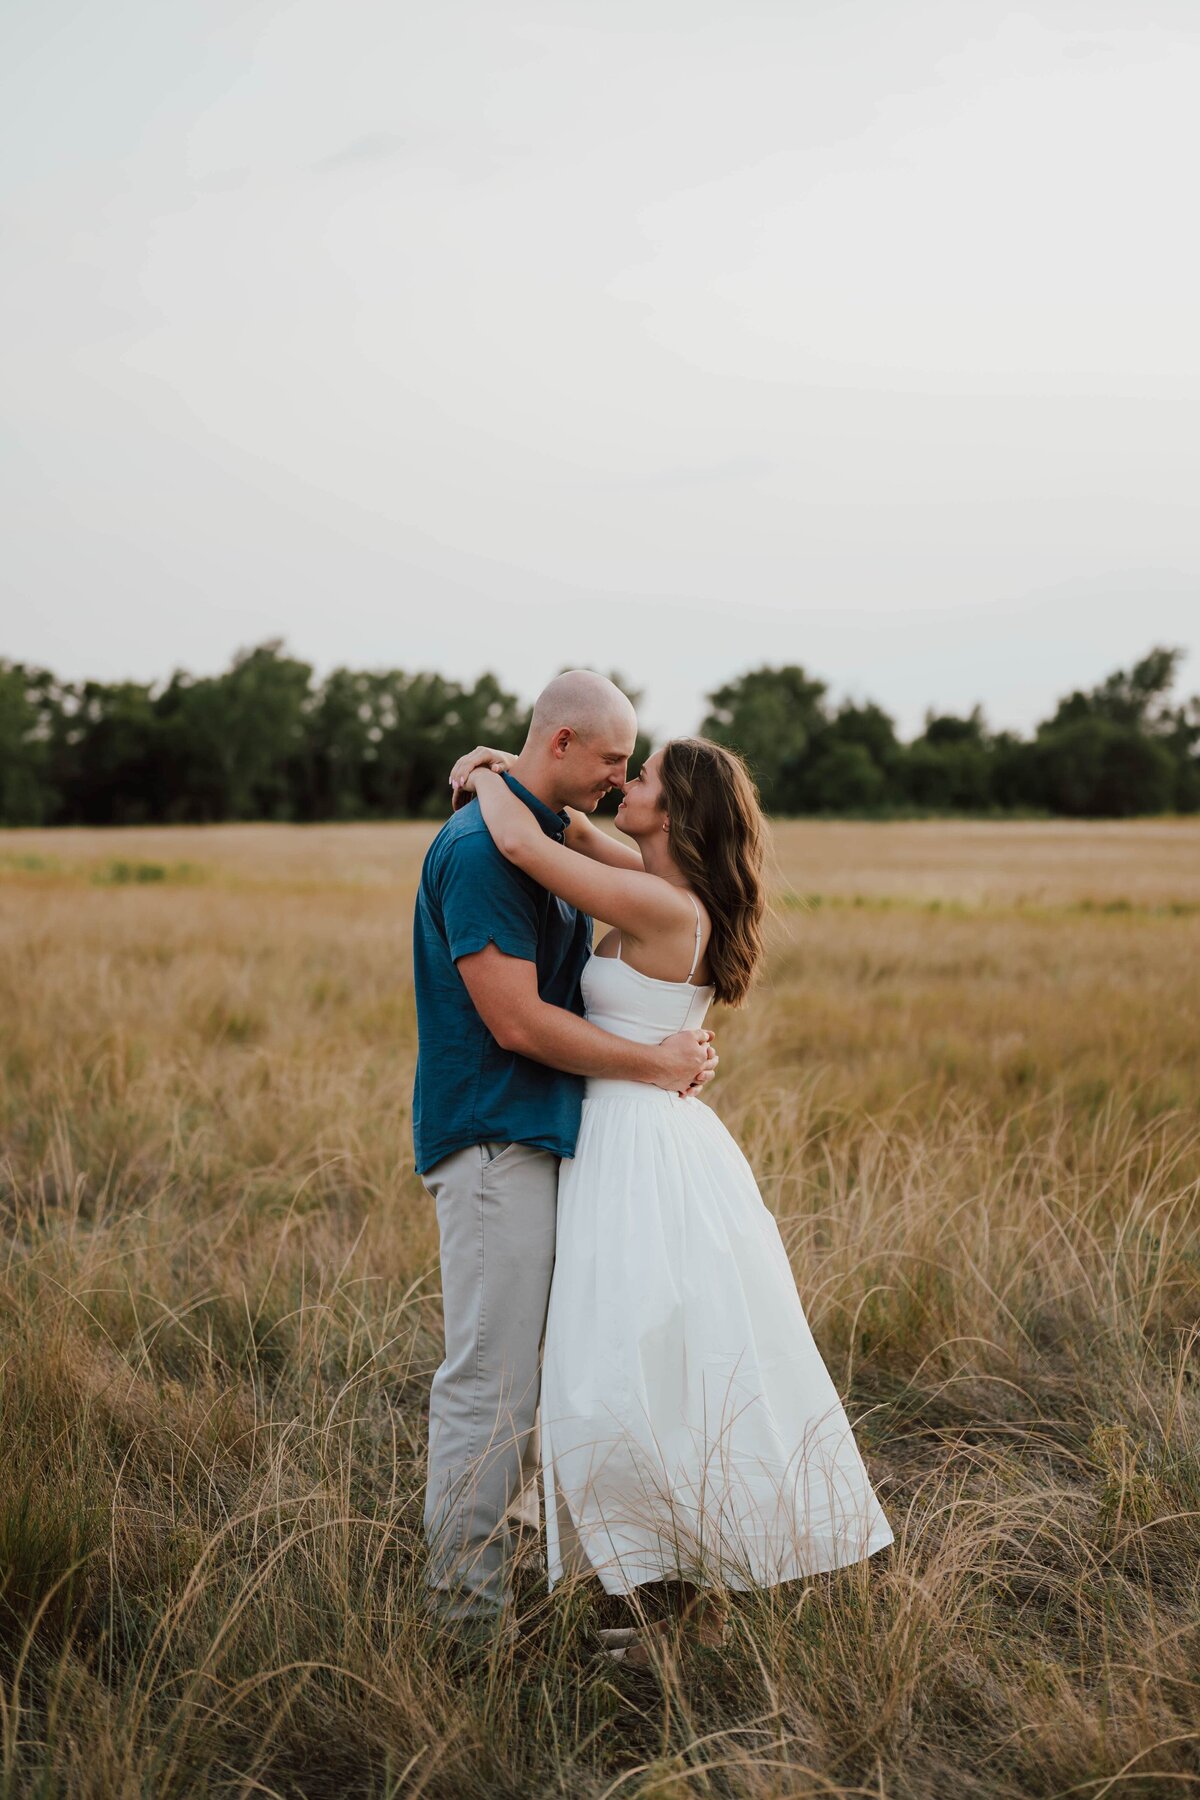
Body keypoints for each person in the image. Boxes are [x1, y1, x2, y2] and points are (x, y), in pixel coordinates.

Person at [449, 733, 895, 1668]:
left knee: (622, 1377)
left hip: (638, 1148)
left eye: (642, 776)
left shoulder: (659, 902)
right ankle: (673, 1612)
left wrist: (487, 776)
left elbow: (531, 850)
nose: (626, 781)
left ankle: (681, 1605)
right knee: (649, 1371)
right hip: (639, 1136)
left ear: (678, 811)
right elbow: (570, 830)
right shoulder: (657, 882)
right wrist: (537, 785)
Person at [412, 671, 718, 1643]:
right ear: (563, 746)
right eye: (613, 762)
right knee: (490, 1386)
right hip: (495, 1140)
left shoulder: (538, 838)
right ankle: (468, 1631)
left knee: (545, 1386)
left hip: (548, 1141)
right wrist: (655, 1058)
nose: (622, 783)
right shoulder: (482, 850)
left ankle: (518, 1591)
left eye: (637, 770)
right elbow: (514, 1020)